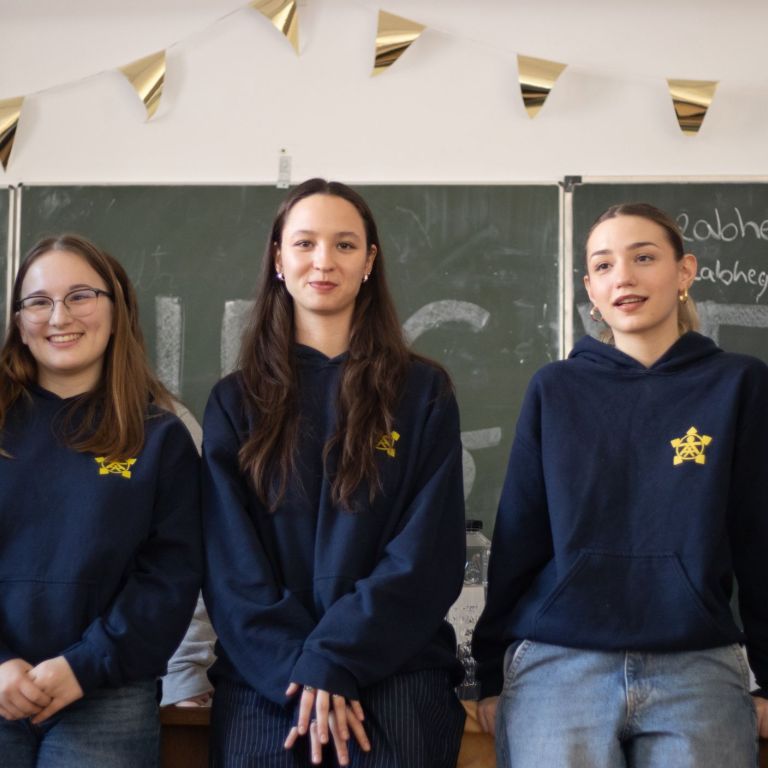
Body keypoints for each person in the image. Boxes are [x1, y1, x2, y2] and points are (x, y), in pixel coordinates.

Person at [473, 203, 768, 767]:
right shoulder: (556, 388)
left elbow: (760, 537)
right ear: (591, 288)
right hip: (560, 663)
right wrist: (489, 673)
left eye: (644, 258)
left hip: (696, 662)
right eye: (604, 265)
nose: (624, 277)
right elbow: (519, 536)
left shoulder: (739, 384)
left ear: (684, 272)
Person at [202, 178, 467, 767]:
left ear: (369, 261)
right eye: (305, 243)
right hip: (267, 678)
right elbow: (230, 566)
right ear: (278, 258)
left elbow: (426, 555)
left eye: (345, 245)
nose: (324, 260)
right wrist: (305, 669)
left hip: (396, 670)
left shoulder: (422, 392)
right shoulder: (235, 401)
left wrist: (335, 658)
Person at [0, 234, 201, 767]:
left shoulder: (161, 436)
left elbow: (170, 576)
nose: (59, 316)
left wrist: (85, 664)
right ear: (19, 322)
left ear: (117, 310)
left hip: (108, 692)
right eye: (38, 301)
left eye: (80, 296)